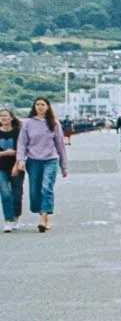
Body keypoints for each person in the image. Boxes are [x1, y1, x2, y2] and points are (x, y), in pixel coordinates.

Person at [18, 98, 66, 233]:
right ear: (34, 106)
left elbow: (60, 146)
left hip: (50, 159)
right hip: (33, 160)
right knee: (34, 191)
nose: (40, 107)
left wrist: (64, 166)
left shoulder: (54, 124)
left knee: (46, 187)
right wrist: (21, 160)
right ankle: (40, 211)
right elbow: (21, 143)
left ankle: (44, 220)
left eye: (43, 104)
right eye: (37, 104)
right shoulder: (27, 123)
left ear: (48, 107)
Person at [0, 108, 21, 232]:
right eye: (1, 116)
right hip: (1, 167)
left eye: (6, 116)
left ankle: (16, 216)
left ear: (11, 118)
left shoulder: (18, 132)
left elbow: (23, 148)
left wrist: (16, 158)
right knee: (5, 193)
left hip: (17, 166)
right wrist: (5, 153)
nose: (3, 118)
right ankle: (8, 220)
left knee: (17, 194)